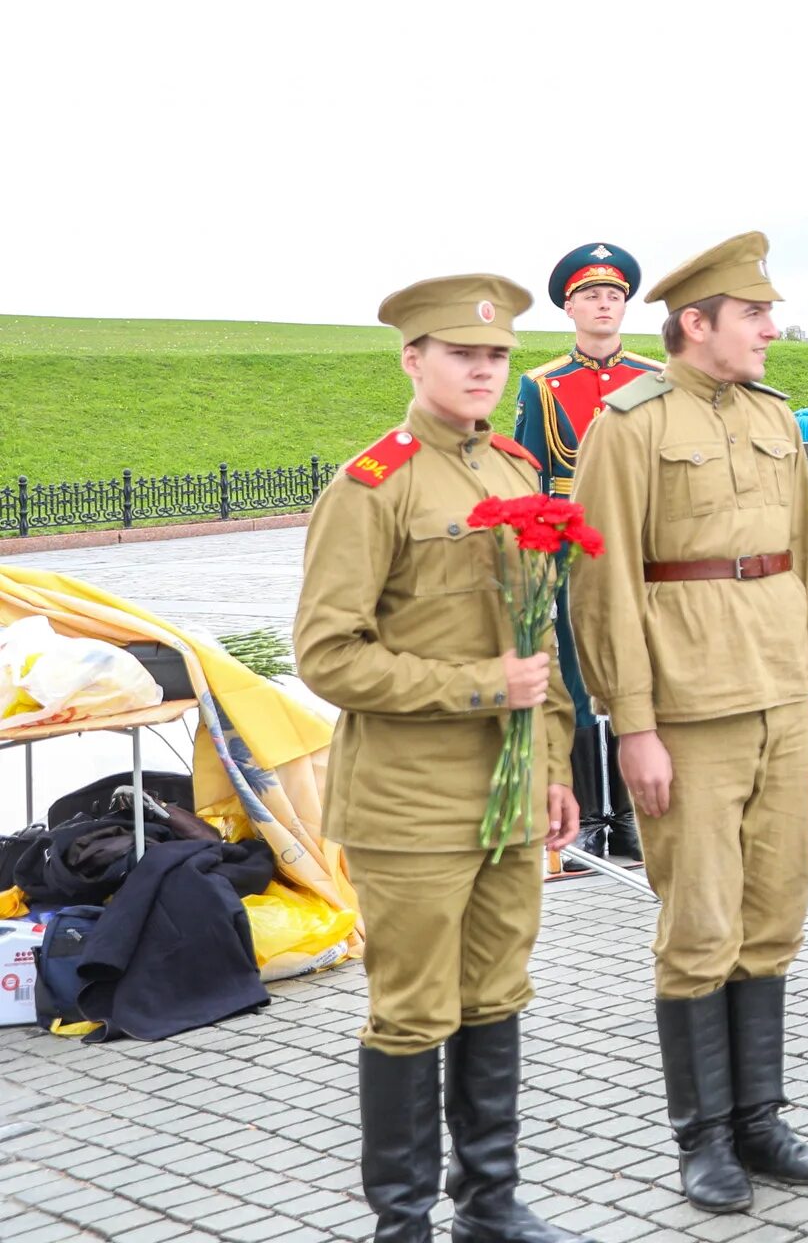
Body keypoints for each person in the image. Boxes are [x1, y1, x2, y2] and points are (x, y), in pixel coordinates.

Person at [294, 273, 590, 1243]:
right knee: (414, 1011)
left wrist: (552, 768)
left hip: (507, 797)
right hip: (411, 801)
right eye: (462, 352)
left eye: (497, 354)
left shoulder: (512, 471)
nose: (482, 368)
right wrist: (475, 685)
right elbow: (328, 653)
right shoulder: (372, 484)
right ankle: (404, 1220)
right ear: (414, 359)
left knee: (498, 992)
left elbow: (536, 648)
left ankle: (492, 1203)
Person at [572, 233, 808, 1214]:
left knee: (774, 911)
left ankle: (761, 1116)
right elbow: (602, 587)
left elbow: (805, 557)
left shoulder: (774, 416)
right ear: (697, 323)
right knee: (701, 922)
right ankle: (705, 1136)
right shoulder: (630, 424)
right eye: (754, 314)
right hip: (686, 710)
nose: (772, 329)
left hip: (778, 692)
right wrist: (631, 723)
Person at [513, 241, 657, 862]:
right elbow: (531, 476)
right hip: (572, 548)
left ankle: (630, 815)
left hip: (642, 543)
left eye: (614, 296)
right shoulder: (543, 385)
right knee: (573, 678)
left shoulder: (653, 379)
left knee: (638, 671)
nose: (604, 305)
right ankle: (586, 818)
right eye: (592, 296)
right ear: (570, 308)